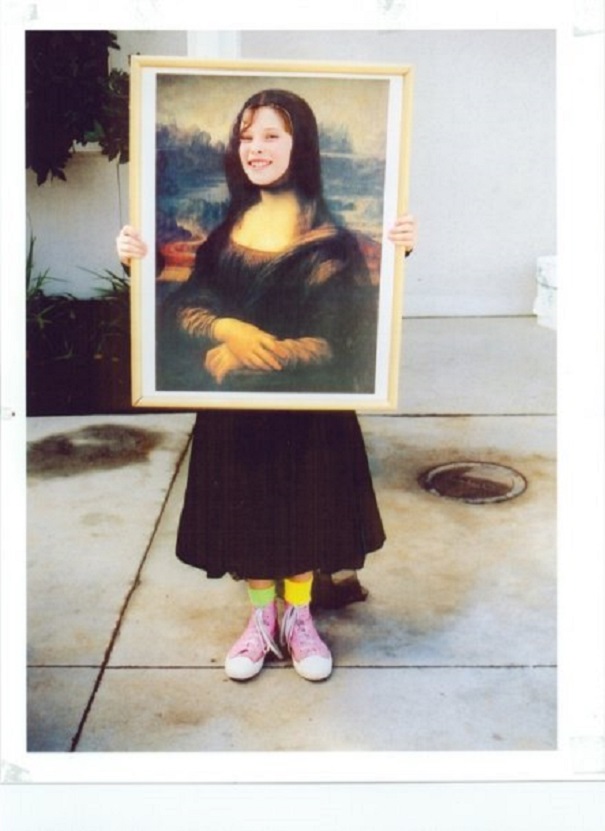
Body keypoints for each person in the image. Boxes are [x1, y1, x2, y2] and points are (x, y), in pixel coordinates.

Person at [117, 88, 417, 683]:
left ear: (299, 144)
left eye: (271, 136)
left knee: (305, 508)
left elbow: (345, 338)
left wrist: (400, 250)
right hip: (235, 413)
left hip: (311, 413)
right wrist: (199, 306)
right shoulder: (231, 227)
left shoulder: (332, 241)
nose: (255, 149)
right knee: (249, 510)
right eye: (246, 136)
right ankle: (262, 620)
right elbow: (190, 304)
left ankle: (299, 617)